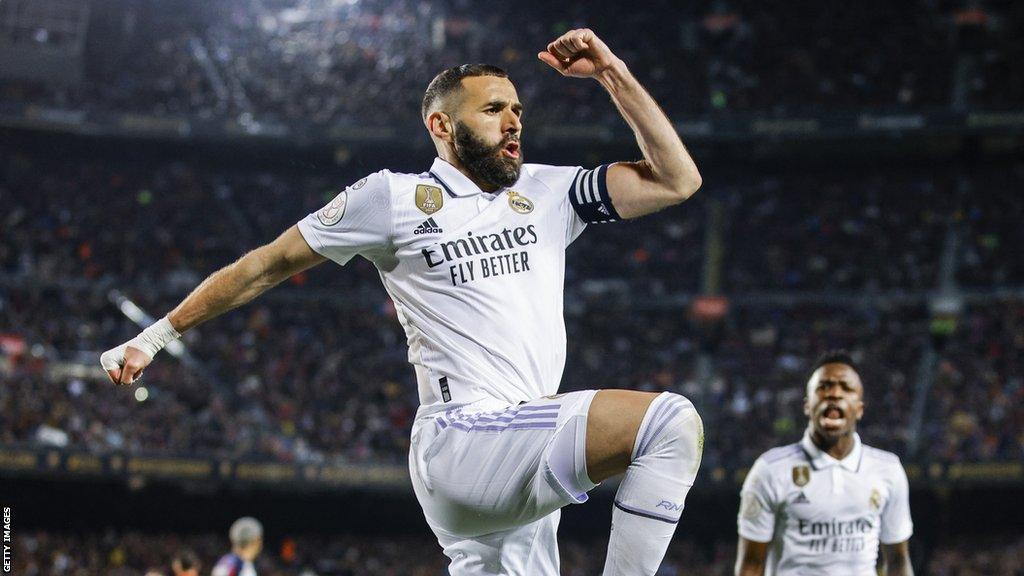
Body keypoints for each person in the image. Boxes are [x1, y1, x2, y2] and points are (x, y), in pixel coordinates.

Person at [101, 29, 703, 576]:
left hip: (521, 447)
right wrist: (152, 337)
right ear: (442, 126)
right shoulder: (392, 198)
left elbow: (677, 181)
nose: (513, 122)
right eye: (493, 110)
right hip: (465, 437)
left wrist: (612, 74)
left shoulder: (550, 191)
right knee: (668, 423)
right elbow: (265, 265)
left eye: (518, 110)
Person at [734, 351, 914, 575]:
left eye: (846, 388)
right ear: (808, 406)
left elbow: (898, 560)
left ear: (859, 409)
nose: (834, 394)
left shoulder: (888, 470)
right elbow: (751, 564)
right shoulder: (771, 470)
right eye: (824, 387)